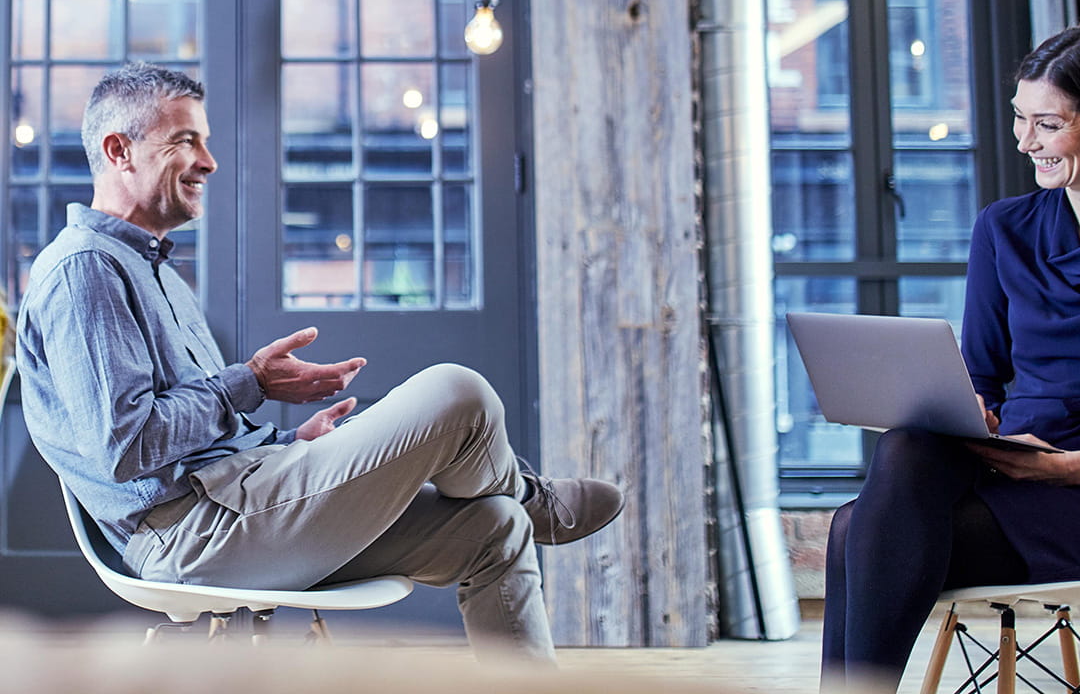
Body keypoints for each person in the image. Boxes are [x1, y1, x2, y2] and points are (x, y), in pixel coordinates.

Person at [16, 61, 625, 662]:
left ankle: (517, 520)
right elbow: (124, 447)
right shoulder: (84, 272)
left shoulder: (157, 273)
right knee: (457, 393)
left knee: (494, 527)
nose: (209, 161)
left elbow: (197, 434)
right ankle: (532, 497)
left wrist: (288, 441)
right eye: (186, 141)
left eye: (206, 141)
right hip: (191, 533)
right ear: (119, 150)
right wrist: (248, 383)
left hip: (241, 497)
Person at [820, 23, 1080, 692]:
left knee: (851, 531)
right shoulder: (1003, 228)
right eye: (1018, 118)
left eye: (1047, 123)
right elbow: (982, 374)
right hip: (1020, 465)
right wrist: (970, 415)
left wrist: (1076, 471)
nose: (1023, 141)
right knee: (907, 445)